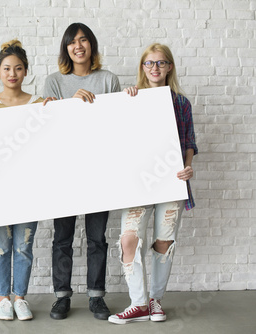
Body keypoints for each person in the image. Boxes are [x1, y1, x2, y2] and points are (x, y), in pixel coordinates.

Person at [108, 43, 197, 325]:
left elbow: (189, 143)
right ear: (142, 68)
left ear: (169, 67)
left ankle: (155, 301)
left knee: (163, 242)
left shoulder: (181, 103)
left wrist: (188, 167)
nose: (155, 68)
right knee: (129, 239)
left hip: (171, 182)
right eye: (149, 63)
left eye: (160, 63)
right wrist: (126, 103)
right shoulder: (131, 99)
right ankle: (137, 304)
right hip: (138, 183)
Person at [43, 22, 121, 321]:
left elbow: (115, 124)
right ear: (65, 48)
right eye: (72, 42)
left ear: (92, 46)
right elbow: (48, 128)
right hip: (63, 172)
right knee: (62, 238)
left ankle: (96, 297)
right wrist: (69, 106)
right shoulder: (54, 81)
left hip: (98, 171)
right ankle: (62, 296)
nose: (78, 46)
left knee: (97, 238)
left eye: (84, 40)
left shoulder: (108, 80)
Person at [0, 39, 44, 321]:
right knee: (2, 248)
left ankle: (20, 298)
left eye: (18, 68)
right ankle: (4, 298)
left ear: (26, 71)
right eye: (7, 68)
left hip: (29, 188)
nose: (12, 73)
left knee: (23, 247)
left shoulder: (39, 103)